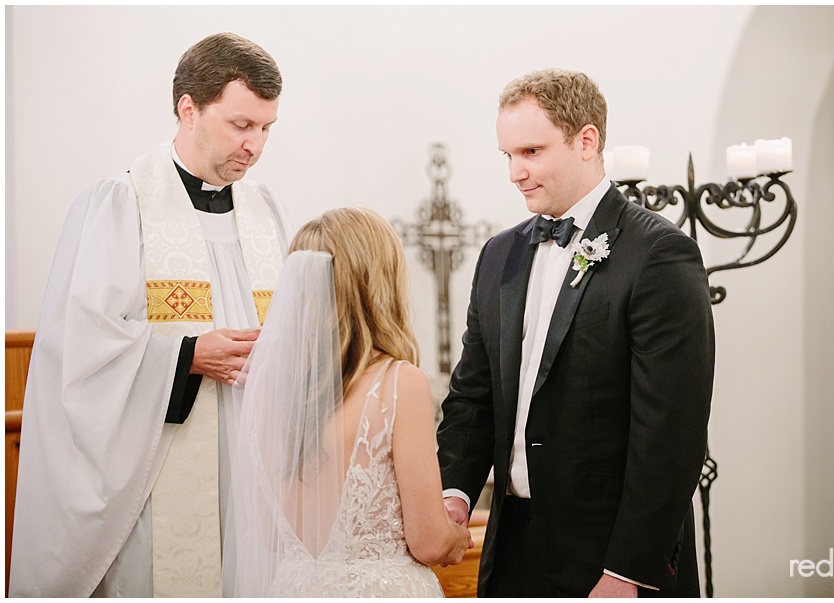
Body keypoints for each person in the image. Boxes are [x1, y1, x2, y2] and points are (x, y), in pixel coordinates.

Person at [9, 33, 292, 597]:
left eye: (266, 128)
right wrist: (186, 355)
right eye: (241, 125)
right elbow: (81, 349)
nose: (255, 146)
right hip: (158, 465)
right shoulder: (120, 203)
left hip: (256, 466)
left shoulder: (264, 210)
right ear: (189, 109)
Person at [436, 68, 715, 597]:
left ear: (587, 141)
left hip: (610, 556)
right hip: (512, 550)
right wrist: (453, 494)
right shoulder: (499, 255)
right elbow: (473, 395)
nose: (515, 172)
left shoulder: (657, 253)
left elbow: (671, 433)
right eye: (508, 156)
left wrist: (628, 571)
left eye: (532, 152)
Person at [222, 207, 472, 596]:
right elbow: (429, 542)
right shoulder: (397, 382)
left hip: (296, 587)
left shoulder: (266, 391)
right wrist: (456, 538)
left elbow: (269, 536)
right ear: (379, 281)